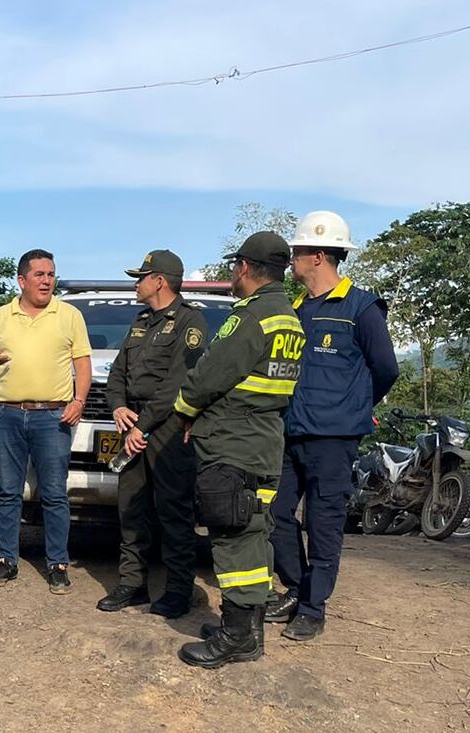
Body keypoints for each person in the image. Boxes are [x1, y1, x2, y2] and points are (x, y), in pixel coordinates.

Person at [173, 231, 303, 669]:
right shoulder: (289, 318)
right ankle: (248, 631)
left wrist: (184, 411)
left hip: (233, 442)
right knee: (254, 531)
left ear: (245, 268)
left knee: (234, 538)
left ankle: (237, 638)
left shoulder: (250, 317)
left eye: (235, 267)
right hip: (265, 439)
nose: (233, 274)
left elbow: (209, 375)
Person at [266, 211, 399, 642]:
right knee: (276, 513)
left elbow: (385, 369)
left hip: (334, 438)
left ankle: (313, 606)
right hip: (290, 432)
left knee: (323, 522)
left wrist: (353, 406)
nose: (292, 260)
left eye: (298, 252)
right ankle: (295, 586)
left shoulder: (361, 307)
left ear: (319, 255)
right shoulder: (296, 307)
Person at [0, 249, 92, 594]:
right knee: (8, 492)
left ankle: (57, 564)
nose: (47, 281)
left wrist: (79, 401)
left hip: (52, 416)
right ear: (22, 280)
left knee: (54, 493)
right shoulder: (1, 316)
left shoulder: (69, 315)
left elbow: (82, 364)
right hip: (6, 414)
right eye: (39, 274)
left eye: (51, 274)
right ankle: (6, 561)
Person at [99, 249, 206, 618]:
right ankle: (133, 584)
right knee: (131, 507)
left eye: (141, 277)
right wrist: (117, 407)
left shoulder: (191, 325)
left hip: (169, 429)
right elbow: (117, 372)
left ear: (160, 281)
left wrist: (141, 425)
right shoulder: (141, 321)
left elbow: (178, 385)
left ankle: (178, 590)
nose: (136, 283)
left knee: (173, 511)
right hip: (133, 425)